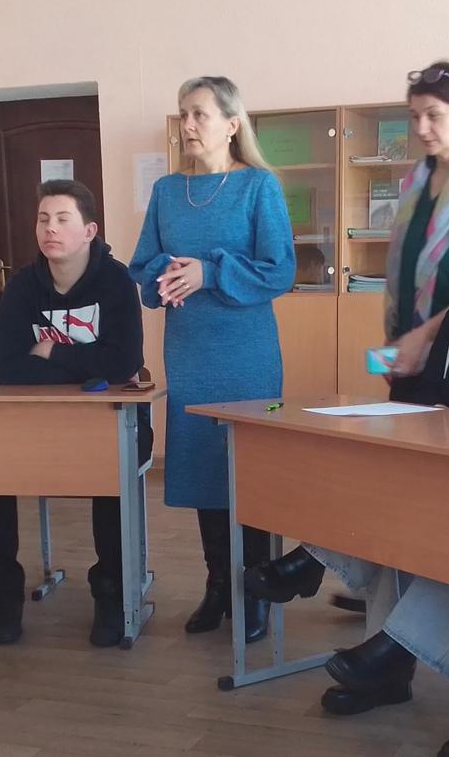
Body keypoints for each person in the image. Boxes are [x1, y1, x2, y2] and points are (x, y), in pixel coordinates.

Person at [256, 201, 449, 756]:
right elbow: (431, 394)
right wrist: (398, 393)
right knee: (388, 504)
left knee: (443, 532)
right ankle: (379, 656)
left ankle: (351, 603)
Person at [244, 60, 449, 633]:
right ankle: (374, 580)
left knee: (423, 478)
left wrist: (424, 335)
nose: (420, 128)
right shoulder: (419, 177)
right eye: (414, 115)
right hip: (410, 342)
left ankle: (337, 571)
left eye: (433, 115)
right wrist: (400, 340)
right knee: (390, 465)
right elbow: (405, 266)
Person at [128, 76, 294, 642]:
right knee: (203, 464)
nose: (189, 125)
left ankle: (256, 589)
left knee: (248, 467)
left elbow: (280, 270)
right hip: (190, 351)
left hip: (246, 353)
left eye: (200, 113)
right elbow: (141, 267)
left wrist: (210, 272)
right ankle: (218, 584)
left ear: (231, 123)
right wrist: (166, 275)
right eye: (183, 114)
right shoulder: (167, 191)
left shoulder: (258, 187)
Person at [0, 179, 151, 646]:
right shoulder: (23, 286)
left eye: (62, 219)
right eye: (43, 219)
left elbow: (124, 362)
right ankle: (2, 595)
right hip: (36, 425)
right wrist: (86, 364)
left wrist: (51, 351)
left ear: (89, 230)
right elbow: (9, 367)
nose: (50, 228)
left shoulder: (116, 282)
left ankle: (111, 593)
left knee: (111, 472)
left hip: (107, 422)